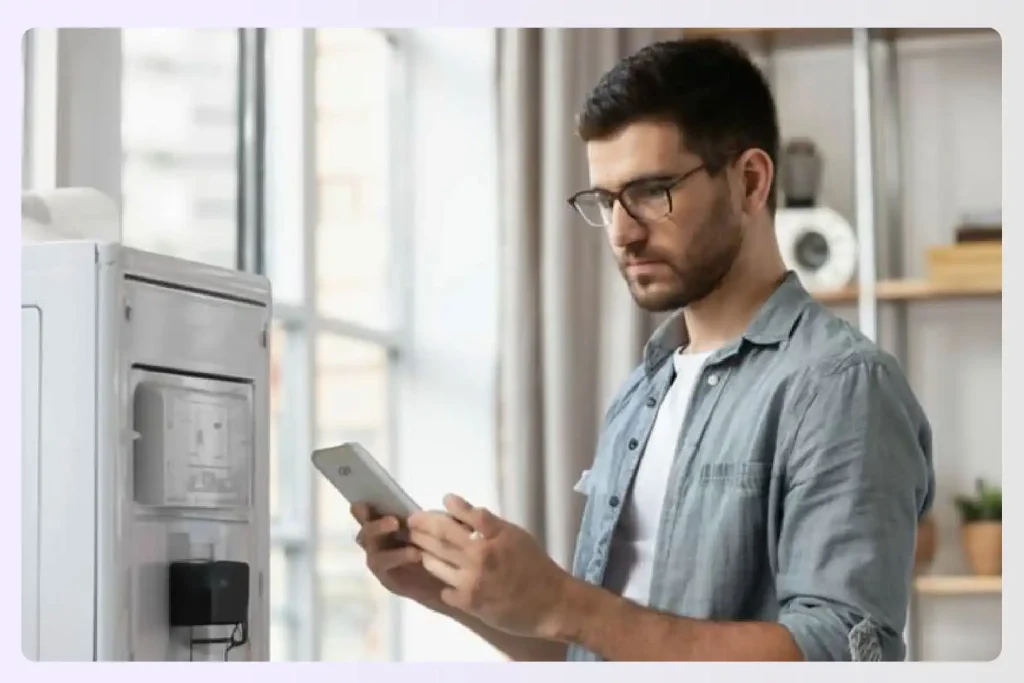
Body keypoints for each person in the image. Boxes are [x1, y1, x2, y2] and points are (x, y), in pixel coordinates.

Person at [351, 36, 935, 662]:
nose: (623, 232)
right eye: (606, 201)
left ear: (750, 181)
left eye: (653, 191)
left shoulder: (841, 386)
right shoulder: (645, 389)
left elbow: (839, 655)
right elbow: (596, 649)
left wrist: (566, 602)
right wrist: (453, 594)